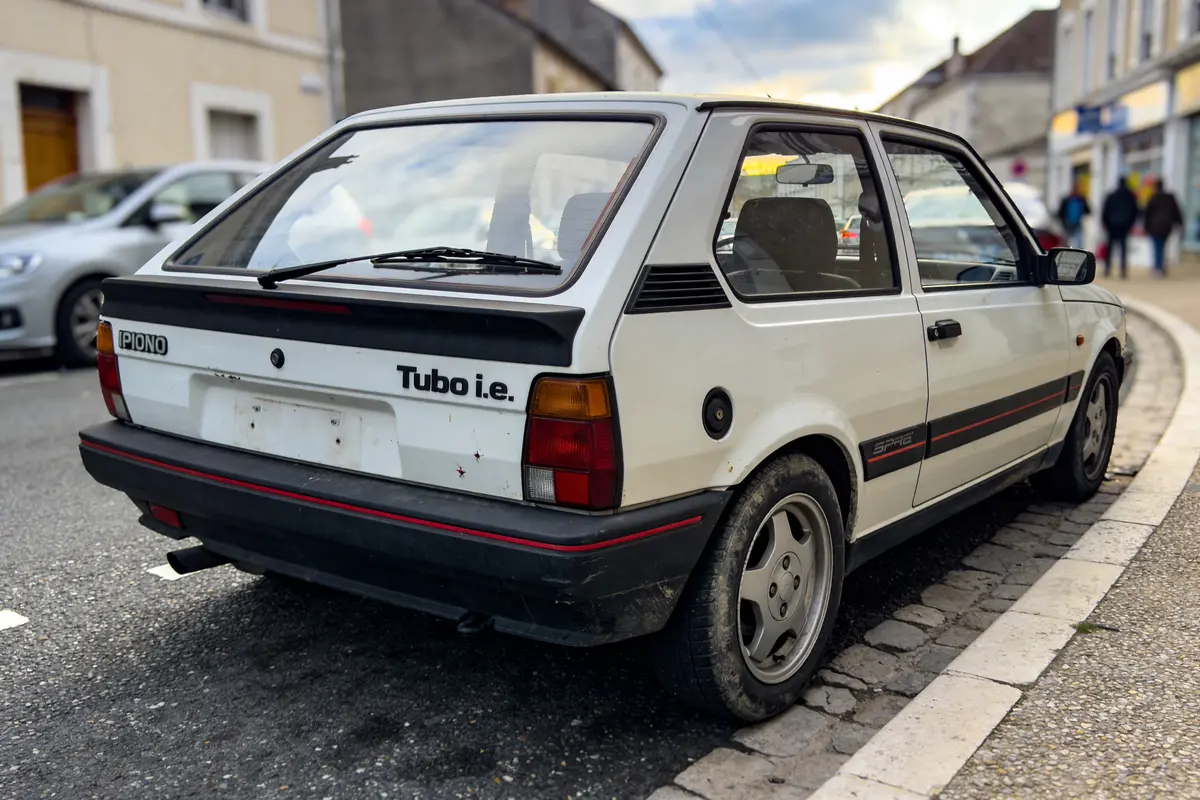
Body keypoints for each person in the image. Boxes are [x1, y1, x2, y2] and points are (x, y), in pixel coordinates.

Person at [1100, 176, 1140, 279]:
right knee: (1123, 249)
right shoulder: (1131, 196)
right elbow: (1135, 211)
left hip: (1112, 225)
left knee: (1110, 248)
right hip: (1124, 225)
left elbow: (1105, 211)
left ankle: (1107, 269)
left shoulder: (1112, 195)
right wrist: (1131, 224)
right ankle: (1123, 270)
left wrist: (1105, 223)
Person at [1143, 178, 1183, 277]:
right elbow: (1176, 211)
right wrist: (1179, 223)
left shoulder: (1153, 197)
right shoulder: (1170, 197)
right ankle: (1161, 267)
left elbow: (1148, 213)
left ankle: (1158, 268)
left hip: (1155, 226)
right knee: (1162, 246)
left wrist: (1146, 227)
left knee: (1157, 247)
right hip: (1167, 226)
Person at [1057, 183, 1090, 249]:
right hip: (1067, 224)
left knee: (1079, 242)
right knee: (1066, 242)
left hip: (1077, 223)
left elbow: (1088, 210)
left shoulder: (1081, 200)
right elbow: (1061, 212)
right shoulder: (1067, 200)